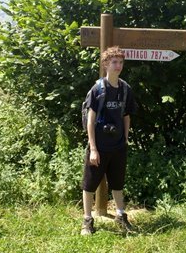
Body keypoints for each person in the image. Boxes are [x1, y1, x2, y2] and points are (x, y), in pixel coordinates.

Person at [81, 46, 136, 235]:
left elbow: (127, 115)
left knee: (118, 184)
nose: (118, 66)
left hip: (118, 146)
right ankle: (87, 221)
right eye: (114, 62)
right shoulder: (98, 89)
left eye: (120, 62)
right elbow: (90, 120)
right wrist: (93, 148)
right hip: (100, 146)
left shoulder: (125, 89)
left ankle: (121, 216)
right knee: (89, 185)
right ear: (106, 64)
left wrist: (126, 137)